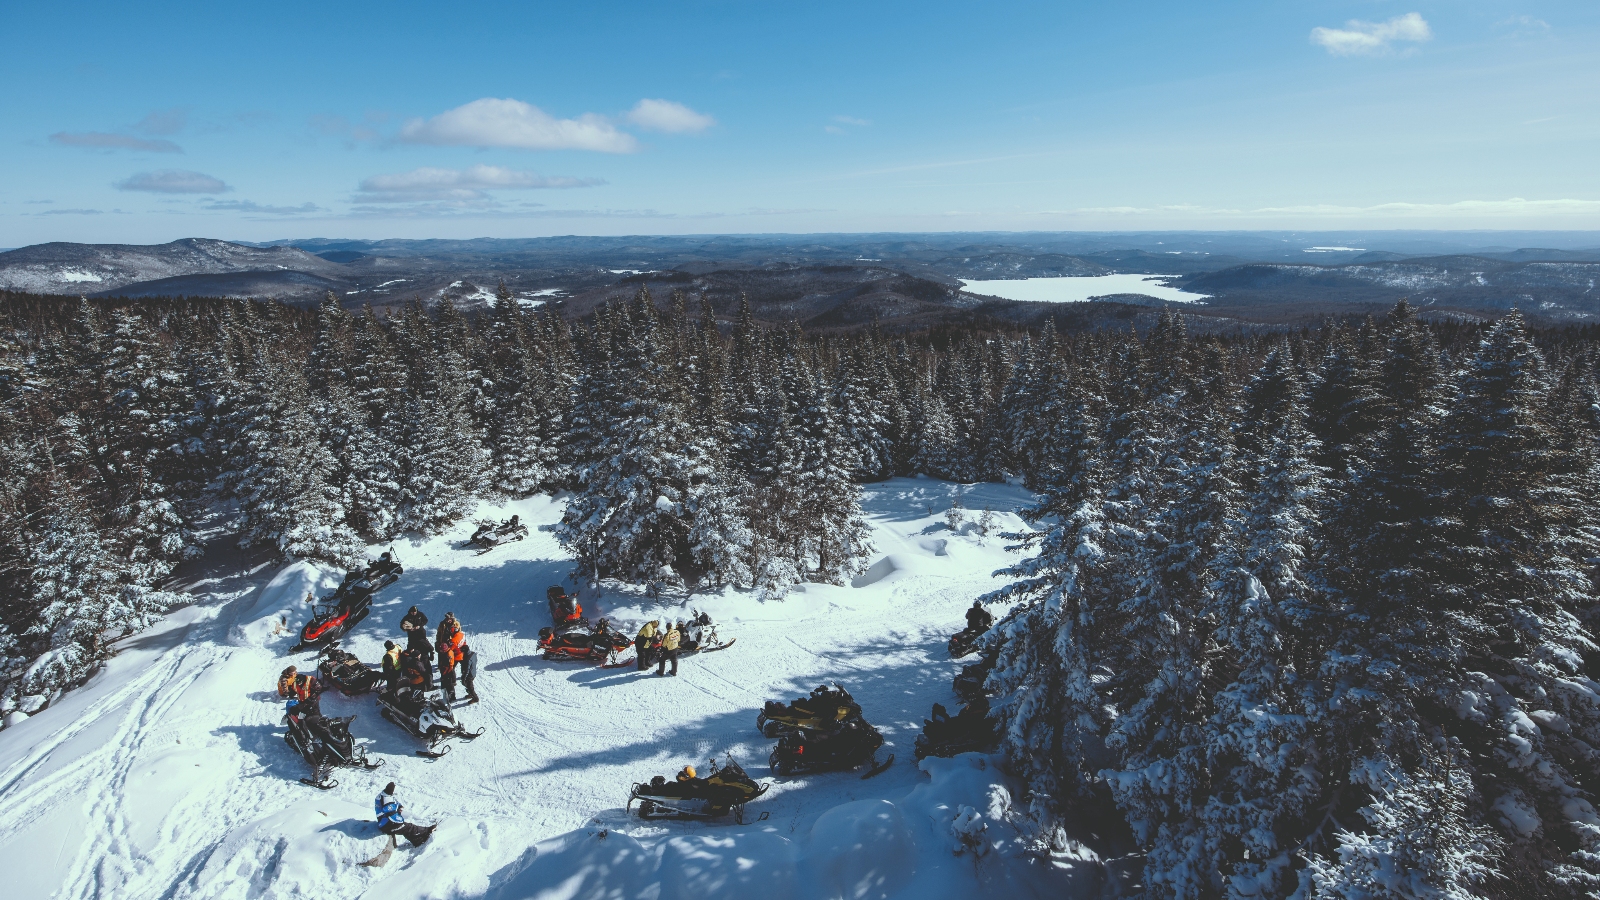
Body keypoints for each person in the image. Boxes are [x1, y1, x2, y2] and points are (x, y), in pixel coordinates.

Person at [375, 782, 435, 847]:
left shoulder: (383, 795)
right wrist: (401, 821)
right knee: (408, 827)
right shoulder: (386, 801)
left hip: (385, 822)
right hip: (387, 825)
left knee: (405, 829)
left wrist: (399, 806)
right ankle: (427, 830)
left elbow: (394, 802)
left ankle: (418, 841)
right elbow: (392, 816)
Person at [400, 606, 434, 688]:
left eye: (415, 612)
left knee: (425, 662)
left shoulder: (420, 614)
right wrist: (407, 628)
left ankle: (429, 683)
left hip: (420, 634)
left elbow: (425, 620)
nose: (414, 613)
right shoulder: (407, 617)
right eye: (412, 612)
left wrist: (419, 626)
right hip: (412, 636)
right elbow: (402, 625)